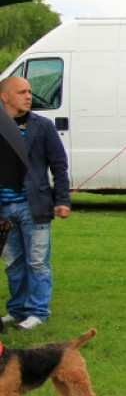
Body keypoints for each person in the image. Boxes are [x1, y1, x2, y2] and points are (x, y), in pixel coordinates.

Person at [0, 75, 70, 330]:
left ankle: (38, 312)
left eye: (29, 91)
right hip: (4, 209)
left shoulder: (43, 126)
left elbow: (59, 165)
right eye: (21, 92)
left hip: (35, 205)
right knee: (12, 262)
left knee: (38, 260)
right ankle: (17, 309)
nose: (29, 96)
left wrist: (62, 200)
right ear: (4, 96)